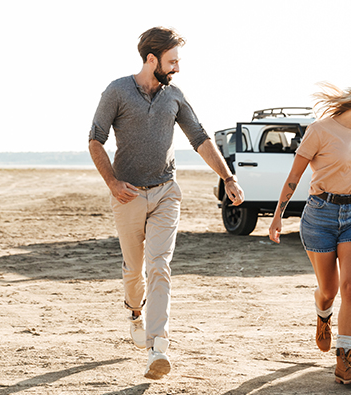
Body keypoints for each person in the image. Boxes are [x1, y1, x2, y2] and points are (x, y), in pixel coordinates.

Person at [88, 26, 244, 380]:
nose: (177, 68)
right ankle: (134, 313)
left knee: (159, 266)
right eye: (172, 61)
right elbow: (95, 139)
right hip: (127, 194)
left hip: (165, 192)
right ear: (151, 58)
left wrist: (228, 177)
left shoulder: (174, 96)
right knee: (134, 271)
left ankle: (158, 347)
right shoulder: (117, 91)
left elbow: (201, 138)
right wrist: (112, 182)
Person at [268, 77, 351, 386]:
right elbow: (294, 177)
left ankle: (345, 361)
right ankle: (323, 314)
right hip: (320, 215)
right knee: (328, 290)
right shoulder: (319, 131)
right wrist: (278, 216)